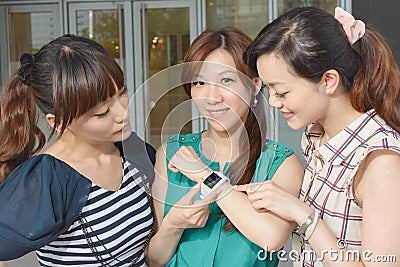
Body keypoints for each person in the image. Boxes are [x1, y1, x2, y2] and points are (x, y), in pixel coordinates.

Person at [237, 6, 400, 266]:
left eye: (281, 91)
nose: (273, 102)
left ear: (328, 80)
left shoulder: (380, 161)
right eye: (269, 90)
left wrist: (303, 215)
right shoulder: (315, 137)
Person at [146, 27, 304, 267]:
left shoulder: (280, 163)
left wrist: (205, 175)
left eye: (226, 81)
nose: (211, 97)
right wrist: (173, 225)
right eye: (200, 82)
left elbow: (271, 239)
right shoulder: (170, 154)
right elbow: (155, 260)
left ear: (254, 85)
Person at [0, 34, 156, 266]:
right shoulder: (47, 179)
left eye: (121, 93)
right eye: (102, 112)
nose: (123, 113)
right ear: (58, 122)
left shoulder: (131, 148)